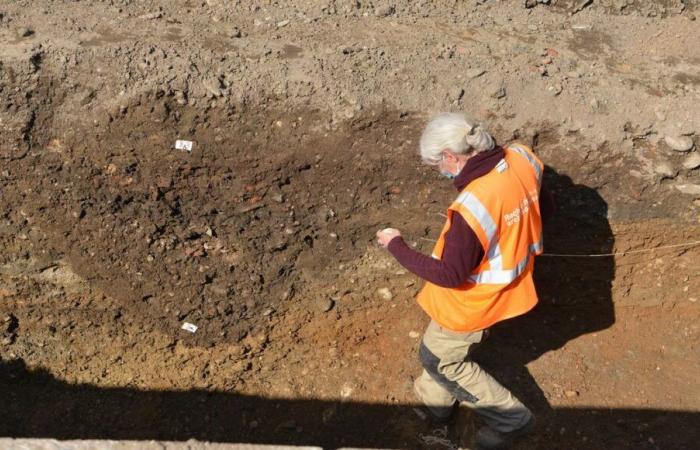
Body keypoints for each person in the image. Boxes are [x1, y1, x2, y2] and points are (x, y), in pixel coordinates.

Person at [376, 113, 554, 450]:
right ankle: (437, 406)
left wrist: (396, 246)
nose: (438, 172)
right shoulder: (521, 157)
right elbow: (545, 207)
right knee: (440, 353)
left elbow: (450, 274)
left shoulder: (472, 207)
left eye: (435, 164)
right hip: (510, 286)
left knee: (439, 359)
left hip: (473, 301)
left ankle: (511, 419)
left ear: (450, 156)